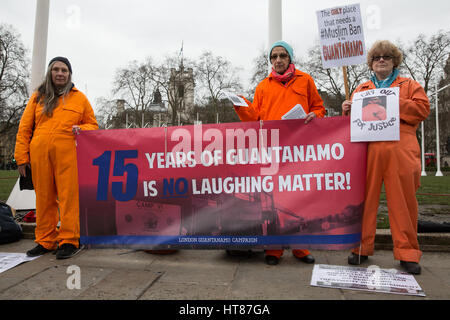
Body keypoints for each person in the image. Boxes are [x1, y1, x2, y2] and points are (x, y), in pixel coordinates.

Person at [234, 41, 326, 265]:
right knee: (272, 202)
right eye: (274, 56)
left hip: (299, 150)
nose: (278, 60)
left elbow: (319, 107)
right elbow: (254, 118)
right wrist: (240, 105)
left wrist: (316, 115)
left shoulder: (306, 80)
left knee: (299, 199)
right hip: (272, 150)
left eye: (282, 55)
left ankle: (300, 249)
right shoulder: (263, 86)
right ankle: (274, 250)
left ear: (290, 58)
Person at [342, 40, 430, 274]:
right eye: (377, 57)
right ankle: (360, 248)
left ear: (394, 61)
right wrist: (347, 109)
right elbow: (350, 124)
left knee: (403, 204)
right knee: (364, 201)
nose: (381, 60)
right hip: (367, 151)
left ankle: (408, 253)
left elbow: (422, 110)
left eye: (386, 57)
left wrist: (392, 101)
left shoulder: (410, 85)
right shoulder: (361, 89)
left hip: (401, 150)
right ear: (371, 63)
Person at [15, 57, 98, 259]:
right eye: (56, 69)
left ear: (69, 74)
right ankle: (45, 240)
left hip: (68, 155)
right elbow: (25, 128)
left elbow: (93, 125)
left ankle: (69, 240)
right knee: (44, 199)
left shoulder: (80, 98)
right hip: (39, 155)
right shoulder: (37, 97)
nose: (60, 73)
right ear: (50, 73)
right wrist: (21, 157)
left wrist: (82, 128)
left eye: (64, 70)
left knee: (69, 199)